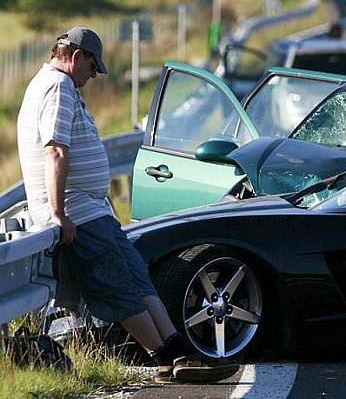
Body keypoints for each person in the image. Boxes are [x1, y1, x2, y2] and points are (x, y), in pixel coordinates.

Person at [16, 28, 239, 385]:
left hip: (91, 209)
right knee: (117, 282)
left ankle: (177, 349)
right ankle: (166, 355)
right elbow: (55, 149)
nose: (93, 75)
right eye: (92, 66)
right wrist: (59, 214)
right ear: (75, 56)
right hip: (78, 211)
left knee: (134, 273)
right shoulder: (56, 87)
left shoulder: (61, 86)